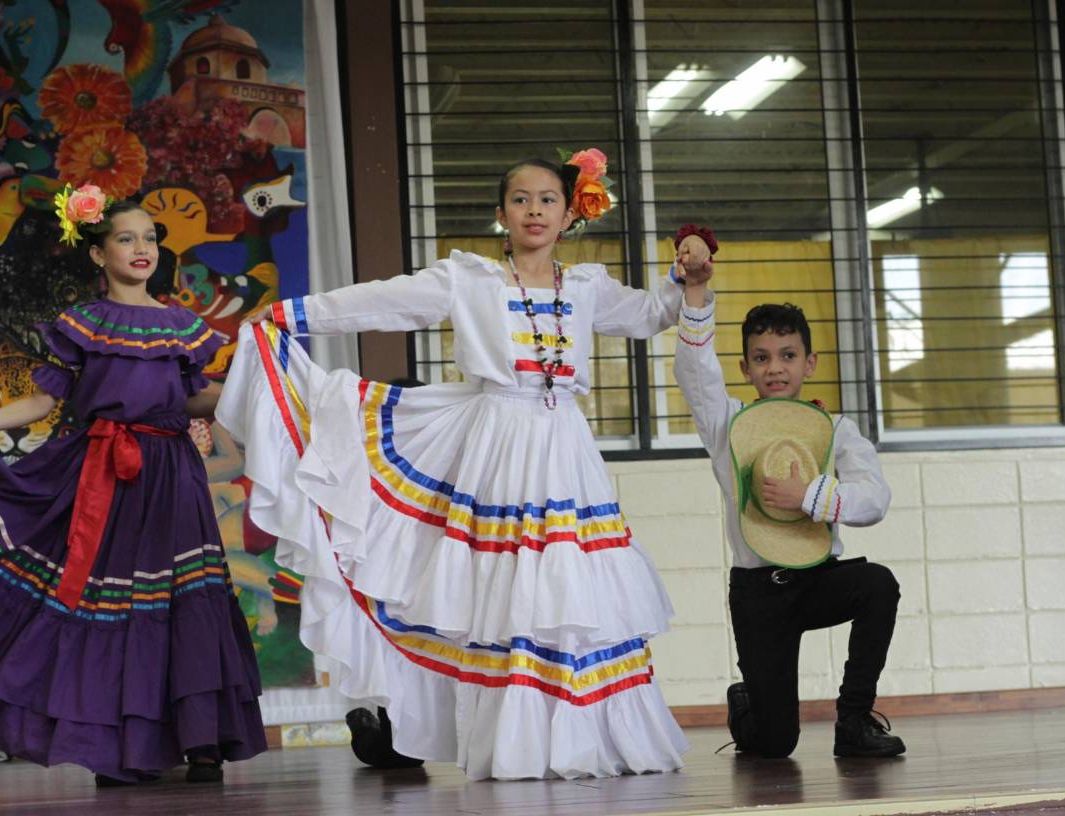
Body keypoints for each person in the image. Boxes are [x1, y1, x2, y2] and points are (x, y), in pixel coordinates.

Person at [217, 150, 713, 780]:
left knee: (571, 589)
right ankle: (513, 743)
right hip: (495, 441)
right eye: (521, 199)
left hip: (564, 444)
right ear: (502, 213)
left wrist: (689, 278)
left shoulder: (586, 286)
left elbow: (653, 315)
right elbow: (384, 302)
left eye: (548, 199)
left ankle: (588, 741)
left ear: (570, 213)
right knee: (500, 593)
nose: (534, 210)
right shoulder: (471, 279)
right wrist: (291, 315)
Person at [0, 190, 267, 785]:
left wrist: (260, 383)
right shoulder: (80, 324)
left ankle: (202, 742)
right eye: (126, 239)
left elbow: (192, 396)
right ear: (97, 253)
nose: (143, 249)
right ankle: (116, 743)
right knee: (111, 607)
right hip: (101, 478)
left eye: (150, 239)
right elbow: (40, 401)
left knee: (185, 602)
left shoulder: (183, 326)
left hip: (170, 476)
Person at [671, 267, 906, 759]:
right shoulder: (727, 426)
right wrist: (695, 293)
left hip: (817, 579)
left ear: (810, 362)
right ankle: (748, 703)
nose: (775, 368)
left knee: (879, 584)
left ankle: (855, 720)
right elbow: (696, 374)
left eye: (787, 355)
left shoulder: (835, 428)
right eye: (761, 358)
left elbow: (875, 499)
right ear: (745, 368)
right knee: (776, 745)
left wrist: (810, 497)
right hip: (759, 592)